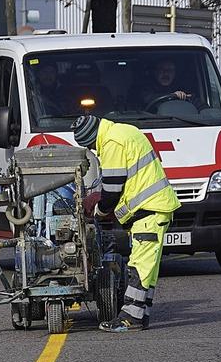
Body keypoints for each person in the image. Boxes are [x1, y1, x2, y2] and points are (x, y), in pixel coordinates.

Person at [71, 111, 178, 331]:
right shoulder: (123, 131)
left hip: (148, 211)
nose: (93, 150)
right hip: (154, 208)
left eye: (90, 145)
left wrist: (99, 212)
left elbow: (112, 189)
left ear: (92, 137)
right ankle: (141, 313)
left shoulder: (112, 142)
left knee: (138, 267)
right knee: (148, 269)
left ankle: (131, 318)